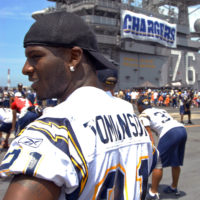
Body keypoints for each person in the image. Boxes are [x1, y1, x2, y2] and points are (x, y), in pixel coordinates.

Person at [0, 12, 157, 200]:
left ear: (74, 57)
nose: (25, 68)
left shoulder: (52, 133)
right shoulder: (133, 119)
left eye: (35, 56)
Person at [137, 95, 187, 200]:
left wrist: (152, 151)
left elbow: (149, 135)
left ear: (140, 106)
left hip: (170, 133)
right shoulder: (159, 109)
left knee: (157, 162)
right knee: (175, 162)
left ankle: (153, 192)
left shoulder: (143, 115)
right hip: (181, 129)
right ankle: (174, 187)